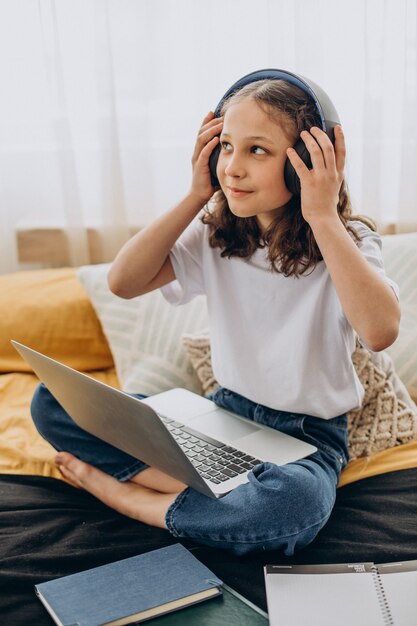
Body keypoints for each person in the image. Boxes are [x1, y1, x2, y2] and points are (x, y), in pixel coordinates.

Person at [31, 75, 400, 556]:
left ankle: (136, 500)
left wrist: (324, 217)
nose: (233, 168)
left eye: (257, 151)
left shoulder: (347, 241)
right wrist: (193, 195)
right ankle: (208, 490)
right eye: (226, 147)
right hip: (220, 416)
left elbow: (380, 331)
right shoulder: (216, 236)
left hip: (305, 439)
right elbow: (123, 282)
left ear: (306, 164)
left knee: (292, 506)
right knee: (53, 399)